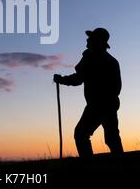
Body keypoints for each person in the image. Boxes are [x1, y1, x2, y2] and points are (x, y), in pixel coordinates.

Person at [53, 28, 124, 157]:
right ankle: (121, 164)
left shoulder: (90, 57)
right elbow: (117, 87)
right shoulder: (112, 61)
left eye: (90, 38)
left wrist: (61, 80)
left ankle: (89, 165)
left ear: (96, 41)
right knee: (112, 138)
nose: (87, 40)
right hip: (110, 104)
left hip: (97, 105)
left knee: (81, 134)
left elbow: (78, 78)